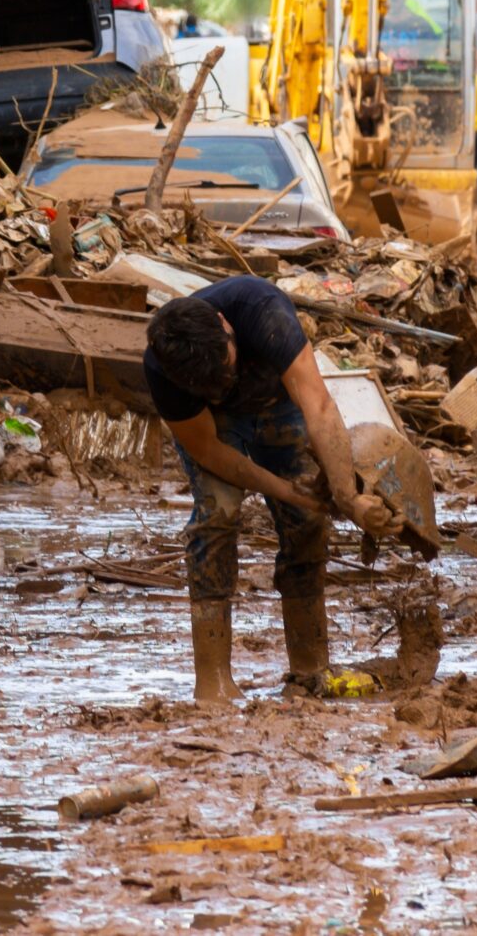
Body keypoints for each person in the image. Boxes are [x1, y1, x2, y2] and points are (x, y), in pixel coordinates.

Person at [145, 276, 402, 706]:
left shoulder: (263, 311)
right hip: (216, 427)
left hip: (279, 401)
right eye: (214, 383)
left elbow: (318, 406)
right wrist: (288, 491)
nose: (226, 382)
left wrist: (348, 498)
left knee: (307, 522)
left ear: (226, 325)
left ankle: (309, 669)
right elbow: (211, 451)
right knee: (217, 516)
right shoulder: (163, 369)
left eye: (227, 369)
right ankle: (213, 682)